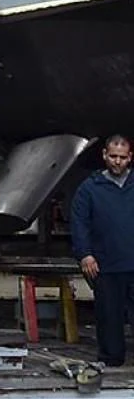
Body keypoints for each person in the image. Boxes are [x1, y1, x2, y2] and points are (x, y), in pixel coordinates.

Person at [72, 135, 134, 366]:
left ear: (130, 158)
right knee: (109, 317)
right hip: (105, 264)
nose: (117, 162)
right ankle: (111, 359)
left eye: (122, 157)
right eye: (113, 156)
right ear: (105, 156)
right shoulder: (89, 189)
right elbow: (79, 223)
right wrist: (85, 254)